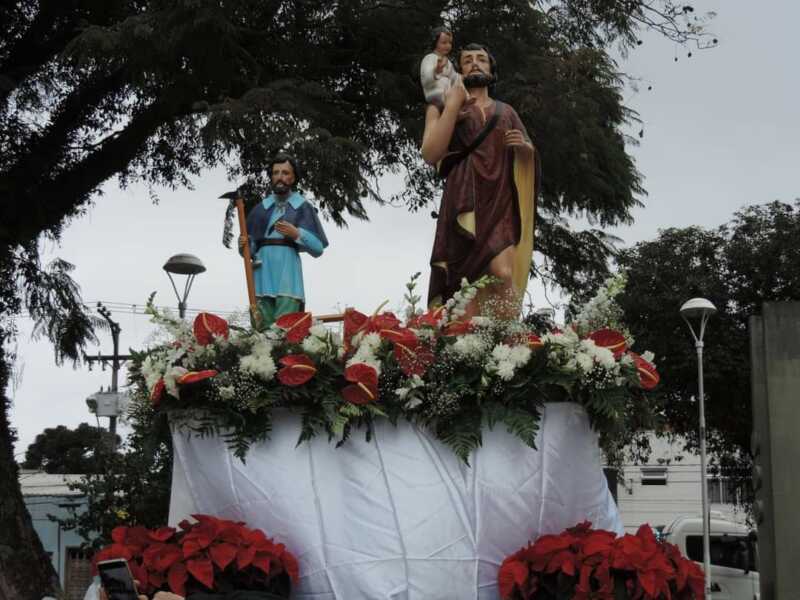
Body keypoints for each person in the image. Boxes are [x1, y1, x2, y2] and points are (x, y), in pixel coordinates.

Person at [421, 43, 537, 318]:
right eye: (467, 60)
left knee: (503, 272)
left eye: (481, 60)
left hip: (499, 197)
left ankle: (510, 343)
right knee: (463, 282)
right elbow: (431, 153)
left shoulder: (506, 112)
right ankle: (467, 345)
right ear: (457, 69)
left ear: (491, 70)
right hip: (463, 196)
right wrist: (452, 105)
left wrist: (524, 148)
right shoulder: (438, 107)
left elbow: (528, 151)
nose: (475, 64)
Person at [239, 154, 328, 328]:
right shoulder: (260, 208)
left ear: (293, 177)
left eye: (285, 172)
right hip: (263, 270)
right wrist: (244, 246)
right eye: (276, 172)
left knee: (286, 325)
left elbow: (318, 248)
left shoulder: (302, 206)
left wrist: (297, 234)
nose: (280, 177)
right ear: (271, 177)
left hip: (288, 271)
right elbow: (250, 247)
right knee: (262, 325)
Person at [419, 27, 461, 109]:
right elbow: (426, 78)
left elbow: (453, 77)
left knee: (459, 86)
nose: (448, 46)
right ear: (435, 43)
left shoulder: (448, 62)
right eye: (444, 43)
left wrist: (460, 77)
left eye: (450, 43)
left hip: (447, 92)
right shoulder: (429, 58)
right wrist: (436, 71)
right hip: (435, 92)